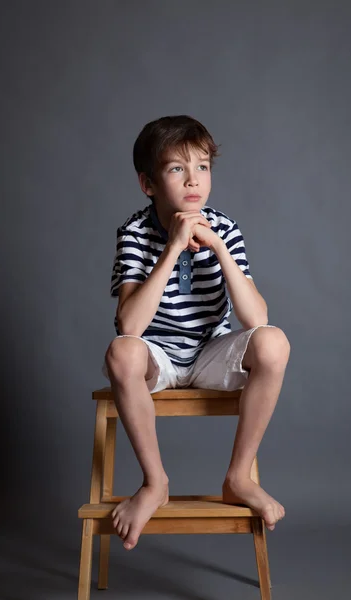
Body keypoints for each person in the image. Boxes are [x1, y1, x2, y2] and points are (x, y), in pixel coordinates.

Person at [102, 115, 291, 551]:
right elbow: (130, 325)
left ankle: (238, 477)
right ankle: (155, 483)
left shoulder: (224, 227)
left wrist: (219, 248)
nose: (193, 179)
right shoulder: (134, 233)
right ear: (148, 184)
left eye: (202, 167)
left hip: (210, 354)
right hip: (160, 357)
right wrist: (172, 247)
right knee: (121, 352)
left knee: (273, 340)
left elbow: (256, 319)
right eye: (176, 168)